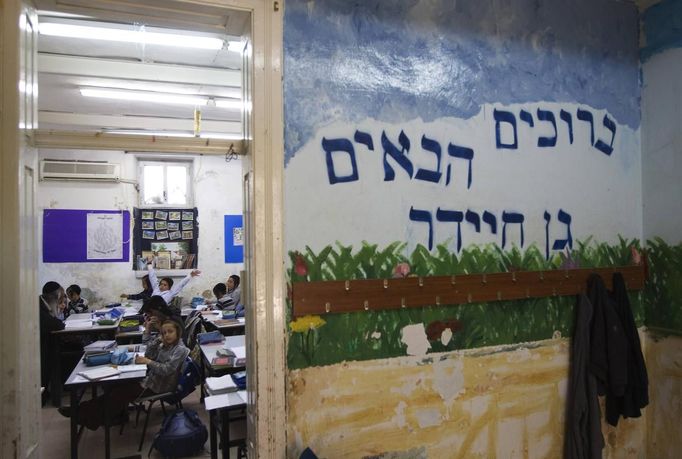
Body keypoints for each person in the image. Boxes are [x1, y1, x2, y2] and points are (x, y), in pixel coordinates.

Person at [59, 319, 189, 430]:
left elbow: (167, 370)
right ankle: (86, 412)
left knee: (120, 392)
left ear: (178, 332)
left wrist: (148, 362)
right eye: (164, 332)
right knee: (115, 386)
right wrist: (152, 335)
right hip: (150, 380)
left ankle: (87, 415)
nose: (167, 335)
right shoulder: (164, 345)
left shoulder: (180, 349)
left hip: (159, 386)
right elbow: (148, 353)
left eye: (170, 332)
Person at [39, 281, 66, 404]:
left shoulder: (45, 304)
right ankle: (43, 395)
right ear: (54, 297)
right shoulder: (39, 306)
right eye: (60, 298)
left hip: (46, 340)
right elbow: (56, 324)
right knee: (51, 355)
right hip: (40, 346)